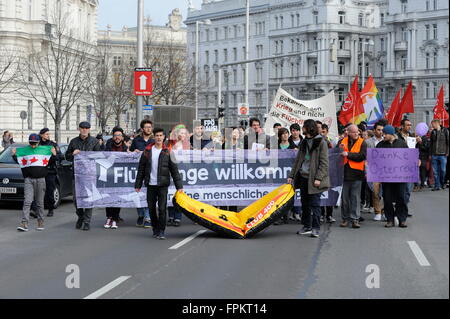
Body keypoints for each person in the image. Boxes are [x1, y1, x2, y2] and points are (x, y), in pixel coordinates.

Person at [135, 128, 184, 239]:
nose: (158, 137)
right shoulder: (147, 151)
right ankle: (155, 229)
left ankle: (161, 230)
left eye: (161, 135)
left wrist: (179, 186)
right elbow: (141, 169)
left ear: (163, 137)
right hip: (150, 185)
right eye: (157, 135)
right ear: (154, 137)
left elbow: (174, 170)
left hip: (162, 185)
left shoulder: (168, 152)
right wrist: (138, 184)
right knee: (151, 209)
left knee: (162, 209)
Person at [287, 119, 330, 238]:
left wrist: (319, 178)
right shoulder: (304, 142)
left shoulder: (321, 142)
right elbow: (298, 160)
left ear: (309, 128)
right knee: (304, 203)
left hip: (314, 179)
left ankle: (316, 228)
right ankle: (307, 226)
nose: (302, 129)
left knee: (315, 204)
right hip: (303, 177)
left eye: (304, 126)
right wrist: (291, 175)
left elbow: (324, 163)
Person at [12, 134, 56, 232]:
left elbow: (53, 160)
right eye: (31, 143)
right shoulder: (25, 150)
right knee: (27, 201)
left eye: (34, 143)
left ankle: (40, 221)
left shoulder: (44, 150)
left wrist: (54, 154)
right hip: (28, 179)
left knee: (40, 202)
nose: (32, 145)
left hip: (41, 179)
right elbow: (19, 161)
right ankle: (24, 223)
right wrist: (14, 155)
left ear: (38, 142)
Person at [65, 121, 101, 231]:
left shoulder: (94, 142)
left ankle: (87, 221)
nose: (84, 130)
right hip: (77, 176)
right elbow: (67, 157)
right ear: (79, 129)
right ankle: (80, 216)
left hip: (90, 175)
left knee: (89, 199)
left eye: (87, 128)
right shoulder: (73, 141)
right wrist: (73, 154)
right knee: (76, 199)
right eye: (82, 128)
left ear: (89, 129)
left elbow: (99, 156)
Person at [376, 125, 410, 228]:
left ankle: (402, 219)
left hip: (400, 177)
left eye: (385, 134)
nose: (383, 135)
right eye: (383, 134)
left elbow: (408, 157)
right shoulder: (380, 145)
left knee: (401, 197)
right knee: (387, 198)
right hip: (386, 177)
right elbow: (377, 161)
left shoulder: (402, 143)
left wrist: (415, 161)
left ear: (391, 134)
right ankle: (390, 219)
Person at [338, 124, 367, 229]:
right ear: (348, 133)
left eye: (357, 132)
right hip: (344, 174)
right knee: (345, 198)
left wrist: (348, 154)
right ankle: (345, 219)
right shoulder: (342, 141)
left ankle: (355, 219)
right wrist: (339, 148)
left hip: (357, 174)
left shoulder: (363, 142)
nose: (356, 133)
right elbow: (337, 153)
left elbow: (362, 156)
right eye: (354, 132)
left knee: (355, 198)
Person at [130, 119, 155, 227]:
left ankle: (148, 217)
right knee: (138, 193)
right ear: (142, 129)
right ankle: (141, 215)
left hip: (151, 171)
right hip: (138, 171)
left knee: (149, 194)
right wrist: (133, 152)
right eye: (146, 127)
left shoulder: (155, 140)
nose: (148, 129)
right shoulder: (136, 140)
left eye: (150, 127)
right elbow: (129, 154)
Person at [103, 127, 128, 229]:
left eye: (119, 135)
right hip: (109, 175)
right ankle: (109, 217)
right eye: (115, 135)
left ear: (122, 137)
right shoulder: (108, 147)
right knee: (109, 197)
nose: (117, 137)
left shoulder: (126, 148)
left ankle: (115, 218)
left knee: (117, 197)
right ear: (113, 137)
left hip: (120, 176)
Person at [37, 128, 63, 217]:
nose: (48, 135)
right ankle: (37, 209)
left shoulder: (53, 145)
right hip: (39, 170)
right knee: (38, 191)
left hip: (50, 171)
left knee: (50, 191)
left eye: (48, 134)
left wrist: (55, 154)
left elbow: (60, 157)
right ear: (41, 135)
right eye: (46, 134)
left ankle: (50, 208)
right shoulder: (37, 144)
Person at [168, 125, 191, 226]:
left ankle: (177, 217)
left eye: (184, 133)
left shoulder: (187, 145)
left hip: (182, 172)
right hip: (170, 171)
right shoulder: (169, 143)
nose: (183, 135)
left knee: (179, 193)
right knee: (169, 193)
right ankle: (170, 216)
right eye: (181, 133)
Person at [365, 121, 386, 221]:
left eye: (382, 130)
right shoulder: (368, 142)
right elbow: (365, 158)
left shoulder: (386, 141)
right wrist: (366, 171)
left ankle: (385, 211)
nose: (380, 132)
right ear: (374, 131)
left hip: (386, 171)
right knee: (375, 191)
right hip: (373, 170)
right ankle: (377, 211)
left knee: (386, 192)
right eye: (378, 130)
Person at [429, 119, 449, 191]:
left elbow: (448, 142)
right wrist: (430, 154)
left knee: (443, 170)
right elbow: (431, 144)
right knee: (435, 171)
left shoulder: (445, 131)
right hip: (434, 154)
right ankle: (437, 186)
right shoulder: (433, 132)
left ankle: (442, 183)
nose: (432, 125)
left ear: (437, 123)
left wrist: (447, 152)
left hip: (443, 154)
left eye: (432, 124)